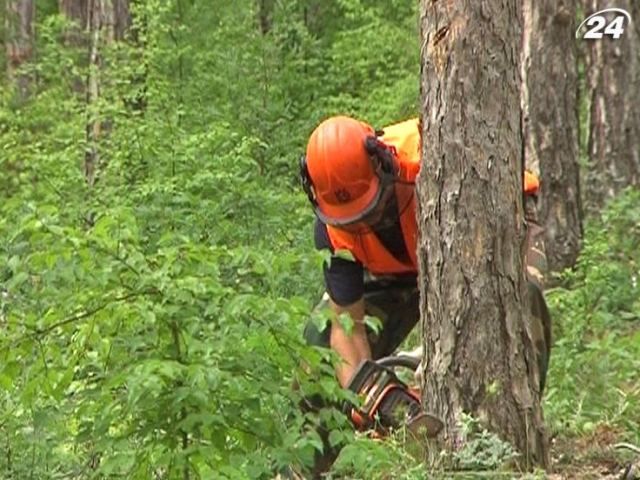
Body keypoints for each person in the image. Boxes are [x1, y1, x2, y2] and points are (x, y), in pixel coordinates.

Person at [297, 115, 552, 477]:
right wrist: (371, 391)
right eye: (347, 220)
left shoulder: (434, 159)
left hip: (493, 231)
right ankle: (307, 468)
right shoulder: (332, 228)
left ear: (382, 167)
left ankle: (511, 443)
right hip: (395, 266)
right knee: (319, 343)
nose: (359, 225)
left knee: (518, 298)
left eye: (367, 212)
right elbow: (345, 326)